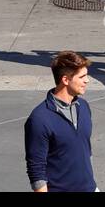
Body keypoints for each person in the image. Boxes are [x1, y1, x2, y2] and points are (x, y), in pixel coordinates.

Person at [25, 51, 96, 192]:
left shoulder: (84, 107)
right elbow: (36, 169)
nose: (87, 80)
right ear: (65, 80)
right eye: (82, 76)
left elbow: (86, 151)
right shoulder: (39, 119)